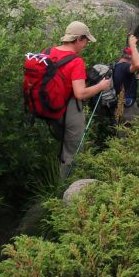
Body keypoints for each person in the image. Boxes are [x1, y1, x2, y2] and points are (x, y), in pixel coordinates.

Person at [47, 21, 112, 178]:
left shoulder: (48, 52)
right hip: (68, 109)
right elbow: (80, 93)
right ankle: (68, 190)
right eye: (86, 41)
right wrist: (101, 86)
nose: (86, 44)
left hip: (49, 107)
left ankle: (60, 182)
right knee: (73, 152)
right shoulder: (76, 62)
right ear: (78, 39)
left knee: (64, 146)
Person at [112, 33, 139, 126]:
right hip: (128, 108)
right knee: (134, 134)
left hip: (119, 106)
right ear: (132, 57)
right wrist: (133, 46)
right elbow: (138, 65)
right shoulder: (124, 66)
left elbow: (123, 83)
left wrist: (137, 78)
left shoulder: (116, 67)